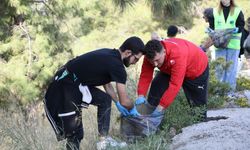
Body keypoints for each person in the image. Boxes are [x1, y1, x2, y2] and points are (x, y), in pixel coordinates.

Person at [44, 36, 144, 150]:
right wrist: (133, 110)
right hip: (64, 87)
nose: (135, 63)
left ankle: (103, 141)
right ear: (128, 53)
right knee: (75, 134)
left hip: (74, 82)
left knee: (105, 100)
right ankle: (101, 143)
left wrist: (117, 103)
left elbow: (107, 85)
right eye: (135, 59)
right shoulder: (118, 67)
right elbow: (125, 101)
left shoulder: (110, 54)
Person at [135, 38, 209, 126]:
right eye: (152, 61)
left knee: (198, 110)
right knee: (157, 85)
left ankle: (199, 128)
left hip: (196, 69)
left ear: (164, 52)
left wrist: (161, 107)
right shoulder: (150, 55)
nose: (155, 64)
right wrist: (140, 95)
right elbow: (145, 76)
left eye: (157, 60)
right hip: (170, 68)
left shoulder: (177, 54)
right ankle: (149, 121)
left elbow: (174, 85)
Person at [206, 0, 245, 96]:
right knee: (220, 68)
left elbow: (241, 25)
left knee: (231, 69)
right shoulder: (215, 11)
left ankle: (229, 93)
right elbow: (212, 26)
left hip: (233, 44)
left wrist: (237, 29)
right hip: (219, 44)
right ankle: (219, 93)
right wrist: (209, 30)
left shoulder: (237, 11)